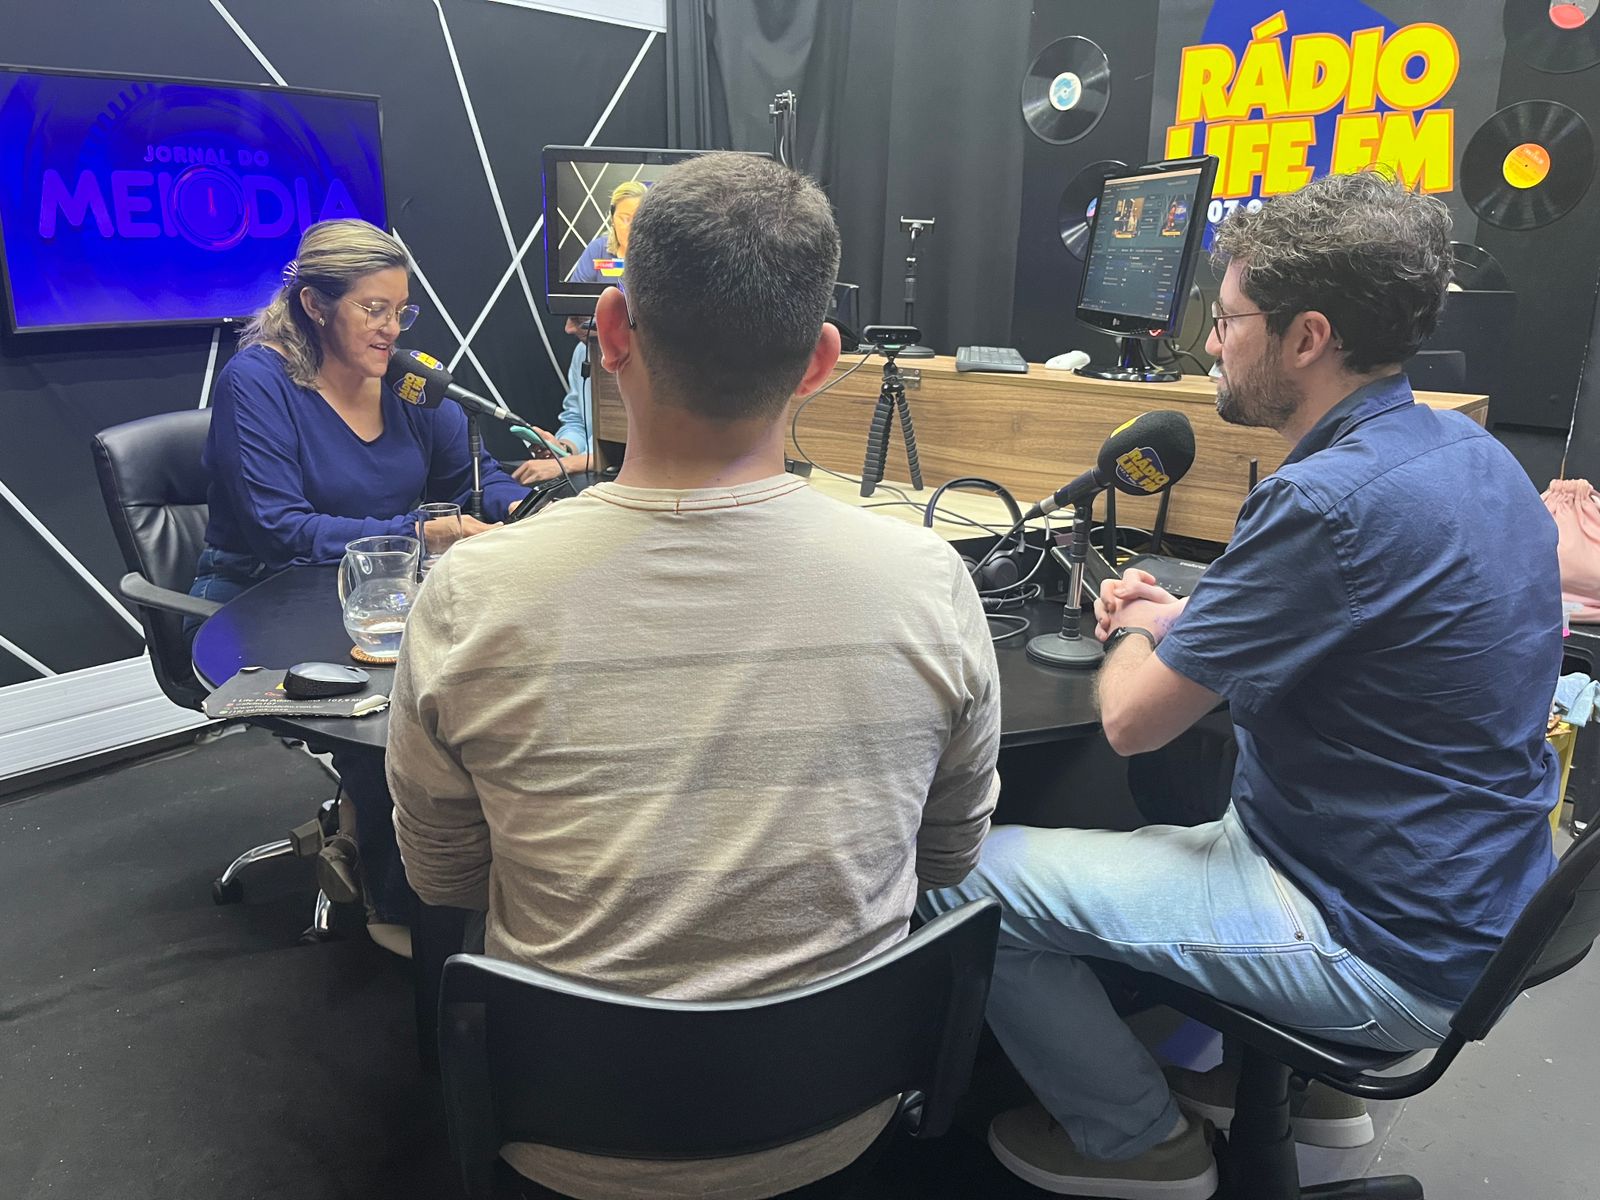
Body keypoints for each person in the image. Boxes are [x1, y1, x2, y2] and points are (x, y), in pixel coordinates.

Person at [921, 171, 1563, 1200]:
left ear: (1307, 338)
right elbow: (1379, 643)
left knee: (962, 875)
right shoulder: (1468, 452)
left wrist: (1140, 627)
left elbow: (1131, 722)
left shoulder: (1323, 500)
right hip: (1484, 902)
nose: (1212, 346)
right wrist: (1197, 624)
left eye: (1226, 323)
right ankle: (1313, 1102)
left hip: (1375, 940)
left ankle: (1137, 1142)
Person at [386, 152, 1001, 1199]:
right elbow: (948, 856)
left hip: (567, 1138)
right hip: (839, 1125)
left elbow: (443, 881)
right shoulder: (932, 582)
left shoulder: (470, 593)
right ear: (821, 361)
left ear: (611, 331)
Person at [192, 218, 529, 955]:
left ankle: (456, 867)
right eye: (372, 309)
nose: (391, 329)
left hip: (379, 595)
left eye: (401, 310)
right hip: (263, 600)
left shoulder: (407, 380)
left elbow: (472, 478)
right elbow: (281, 530)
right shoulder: (258, 382)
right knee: (396, 718)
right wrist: (423, 531)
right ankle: (394, 901)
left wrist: (516, 507)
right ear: (315, 305)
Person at [512, 181, 647, 484]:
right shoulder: (582, 353)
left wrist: (575, 463)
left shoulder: (657, 358)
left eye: (579, 320)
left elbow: (654, 447)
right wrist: (563, 448)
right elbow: (575, 419)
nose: (568, 328)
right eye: (623, 217)